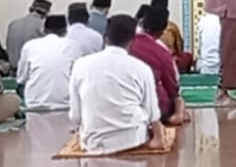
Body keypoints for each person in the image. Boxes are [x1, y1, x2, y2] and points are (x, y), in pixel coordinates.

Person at [68, 13, 165, 153]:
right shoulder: (141, 68)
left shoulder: (80, 65)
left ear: (105, 38)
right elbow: (152, 113)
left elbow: (75, 116)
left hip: (93, 141)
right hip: (133, 139)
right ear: (132, 41)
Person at [131, 4, 189, 126]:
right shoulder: (161, 51)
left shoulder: (126, 44)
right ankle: (178, 114)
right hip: (151, 106)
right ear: (162, 30)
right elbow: (172, 88)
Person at [16, 13, 83, 112]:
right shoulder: (74, 46)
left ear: (44, 30)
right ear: (65, 31)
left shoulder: (29, 46)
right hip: (67, 105)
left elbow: (21, 78)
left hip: (34, 105)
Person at [4, 0, 50, 69]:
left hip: (13, 68)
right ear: (46, 14)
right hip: (31, 69)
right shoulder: (42, 26)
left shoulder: (13, 24)